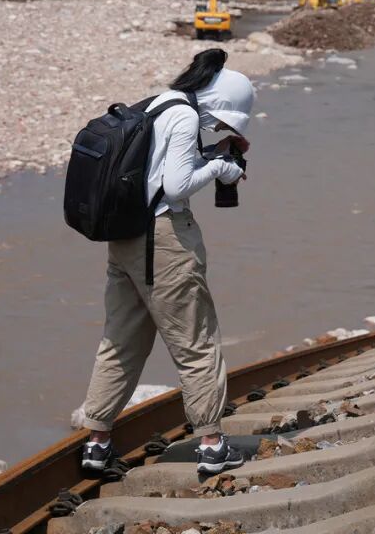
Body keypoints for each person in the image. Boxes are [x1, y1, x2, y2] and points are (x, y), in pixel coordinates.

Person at [80, 48, 254, 476]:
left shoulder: (160, 103)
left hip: (124, 238)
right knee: (196, 342)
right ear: (221, 102)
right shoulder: (187, 117)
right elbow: (176, 187)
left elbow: (157, 170)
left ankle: (96, 442)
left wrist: (213, 156)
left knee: (120, 343)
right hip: (163, 244)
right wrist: (219, 167)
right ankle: (212, 445)